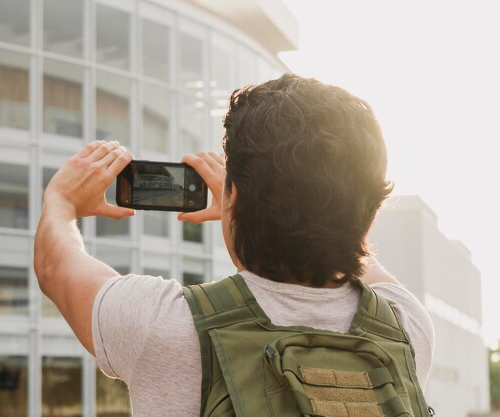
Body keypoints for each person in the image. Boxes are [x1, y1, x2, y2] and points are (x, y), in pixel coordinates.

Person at [34, 73, 435, 416]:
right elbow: (355, 242)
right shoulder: (405, 329)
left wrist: (61, 200)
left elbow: (56, 266)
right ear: (368, 205)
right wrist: (243, 204)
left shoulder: (166, 325)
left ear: (234, 194)